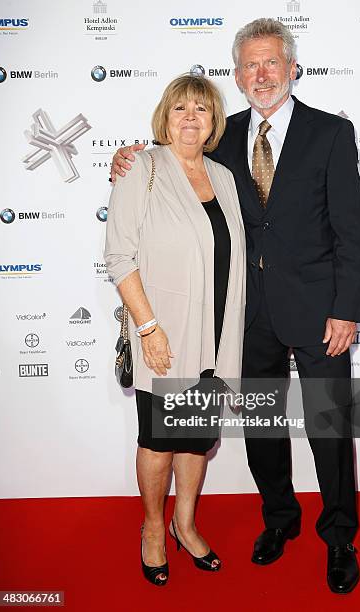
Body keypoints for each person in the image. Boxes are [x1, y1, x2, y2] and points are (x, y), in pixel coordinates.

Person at [110, 18, 360, 594]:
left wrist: (347, 308)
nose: (261, 74)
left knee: (329, 428)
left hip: (321, 312)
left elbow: (352, 231)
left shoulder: (330, 133)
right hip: (245, 318)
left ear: (292, 67)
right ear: (237, 74)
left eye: (272, 62)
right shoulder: (222, 136)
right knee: (263, 429)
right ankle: (280, 521)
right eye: (250, 65)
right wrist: (128, 156)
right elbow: (173, 156)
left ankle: (340, 537)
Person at [104, 74, 246, 586]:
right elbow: (119, 257)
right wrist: (148, 328)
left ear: (214, 123)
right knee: (160, 441)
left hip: (215, 339)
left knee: (195, 441)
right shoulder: (139, 168)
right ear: (165, 116)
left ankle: (185, 525)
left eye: (202, 110)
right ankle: (152, 530)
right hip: (165, 336)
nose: (190, 117)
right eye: (181, 107)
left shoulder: (224, 177)